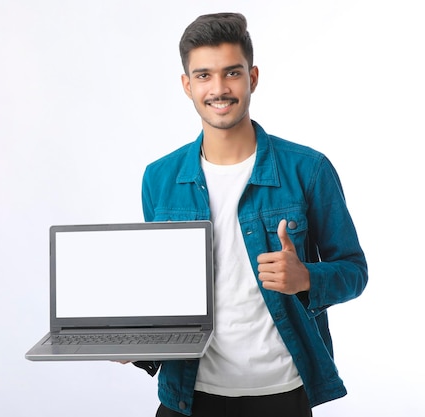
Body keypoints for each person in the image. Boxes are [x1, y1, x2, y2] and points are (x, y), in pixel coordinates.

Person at [133, 12, 368, 417]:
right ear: (187, 85)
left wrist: (307, 278)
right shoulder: (159, 178)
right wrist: (134, 339)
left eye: (232, 73)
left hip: (281, 393)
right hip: (188, 395)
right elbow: (162, 287)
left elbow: (354, 270)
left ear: (253, 77)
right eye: (204, 75)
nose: (219, 89)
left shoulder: (308, 170)